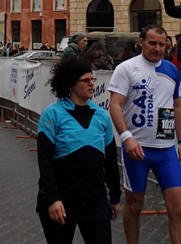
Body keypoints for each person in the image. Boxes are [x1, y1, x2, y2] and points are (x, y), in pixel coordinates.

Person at [108, 25, 181, 244]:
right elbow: (115, 105)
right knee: (134, 205)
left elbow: (178, 107)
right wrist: (126, 138)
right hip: (137, 150)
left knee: (179, 208)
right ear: (141, 42)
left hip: (165, 150)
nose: (158, 48)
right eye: (153, 43)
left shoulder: (171, 70)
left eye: (162, 44)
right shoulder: (126, 68)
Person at [36, 58, 121, 243]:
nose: (91, 84)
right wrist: (52, 199)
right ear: (71, 85)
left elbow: (110, 160)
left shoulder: (101, 116)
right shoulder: (52, 114)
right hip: (61, 199)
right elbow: (45, 162)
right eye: (85, 80)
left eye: (93, 79)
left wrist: (115, 196)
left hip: (94, 200)